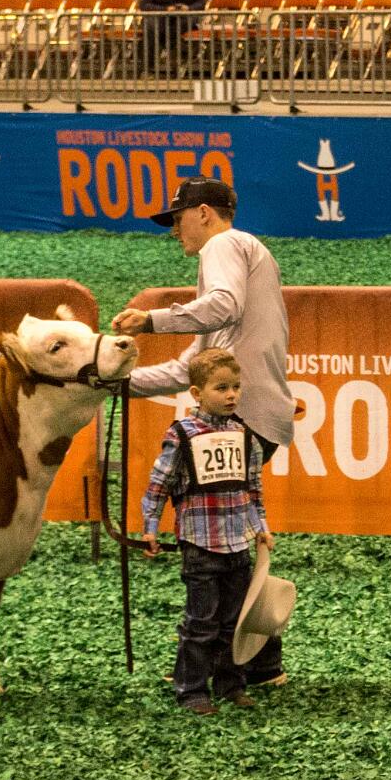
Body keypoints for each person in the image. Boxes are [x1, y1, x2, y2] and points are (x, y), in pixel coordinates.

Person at [117, 177, 293, 686]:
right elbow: (188, 370)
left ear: (203, 213)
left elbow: (224, 305)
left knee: (213, 550)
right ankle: (259, 664)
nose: (174, 230)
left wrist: (151, 320)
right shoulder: (241, 254)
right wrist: (117, 383)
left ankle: (219, 666)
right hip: (254, 419)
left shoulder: (224, 244)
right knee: (229, 543)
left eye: (177, 218)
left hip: (239, 420)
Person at [139, 348, 274, 714]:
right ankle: (192, 690)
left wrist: (261, 527)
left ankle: (231, 685)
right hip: (199, 544)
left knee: (234, 623)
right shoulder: (181, 433)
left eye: (235, 387)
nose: (231, 395)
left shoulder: (243, 435)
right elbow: (159, 484)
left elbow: (252, 487)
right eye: (221, 388)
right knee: (201, 623)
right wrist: (150, 528)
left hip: (237, 544)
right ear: (197, 393)